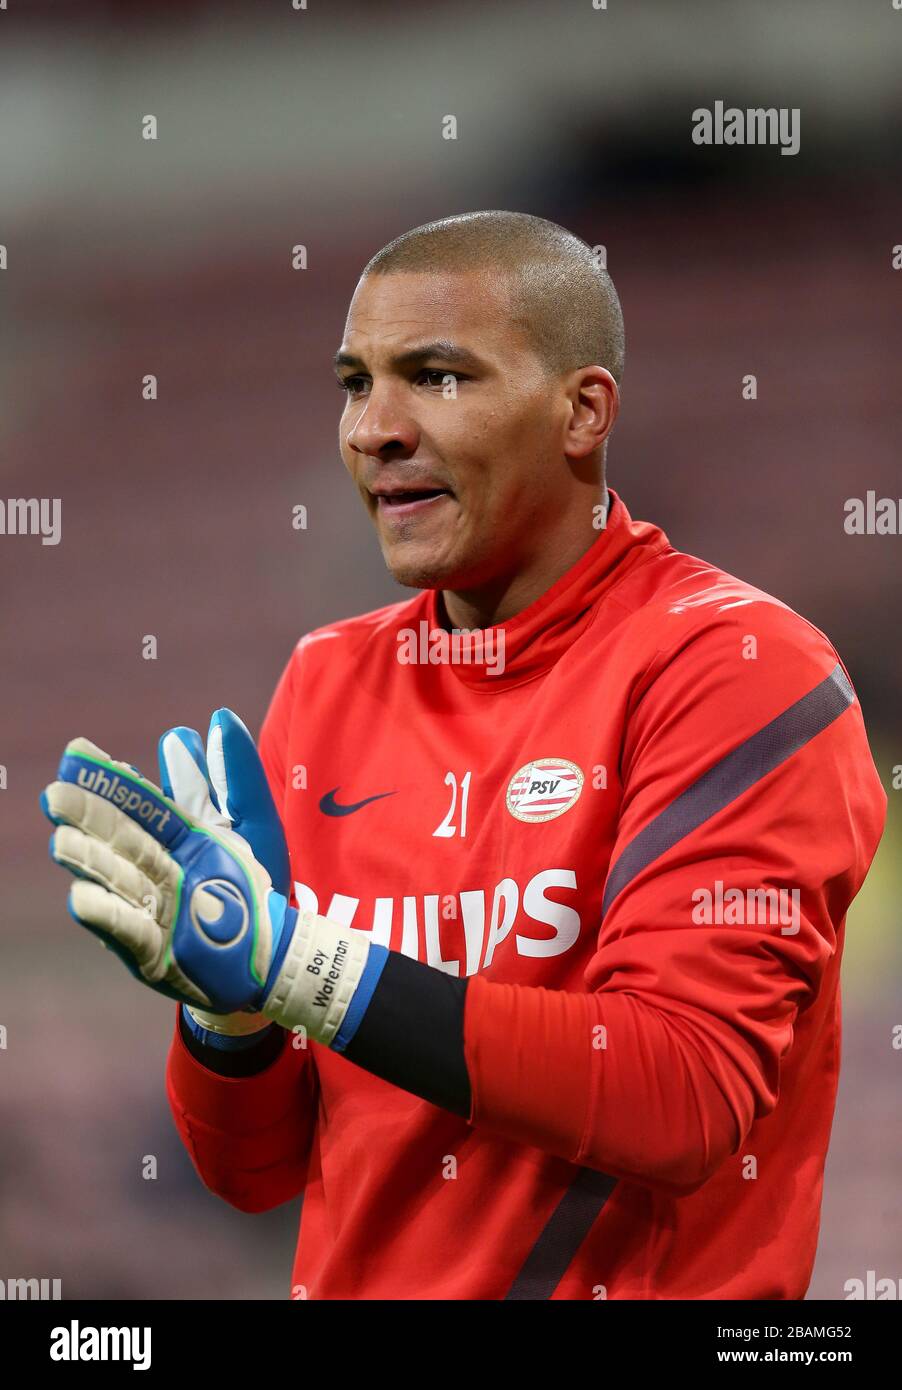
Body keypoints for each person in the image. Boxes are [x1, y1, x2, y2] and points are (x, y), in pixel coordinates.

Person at [45, 212, 887, 1299]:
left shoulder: (735, 668)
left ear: (582, 411)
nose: (372, 430)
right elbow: (254, 1171)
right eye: (355, 383)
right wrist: (229, 1015)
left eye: (435, 377)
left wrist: (303, 966)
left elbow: (680, 1095)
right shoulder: (326, 681)